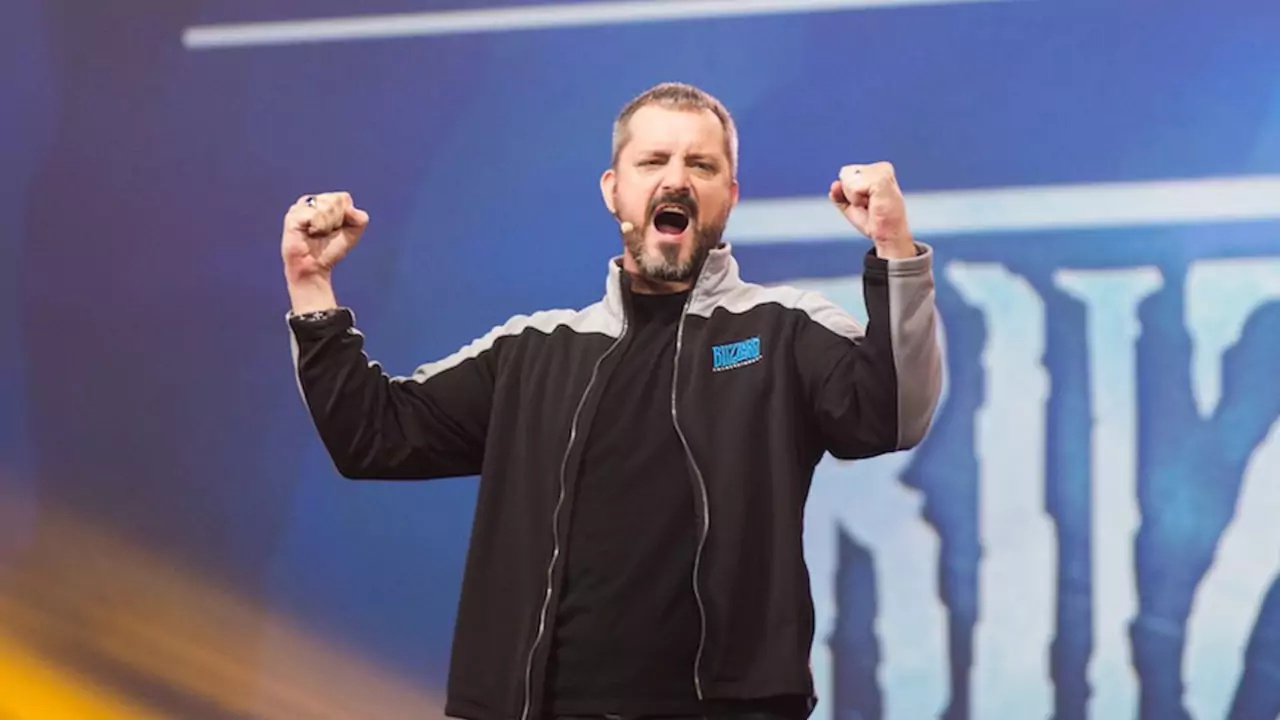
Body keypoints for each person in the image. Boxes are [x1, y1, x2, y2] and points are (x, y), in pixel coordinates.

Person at [282, 82, 942, 720]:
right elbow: (373, 435)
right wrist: (311, 285)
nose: (677, 179)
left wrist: (894, 249)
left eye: (702, 165)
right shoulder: (533, 351)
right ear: (613, 190)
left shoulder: (784, 330)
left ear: (730, 195)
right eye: (653, 161)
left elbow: (892, 414)